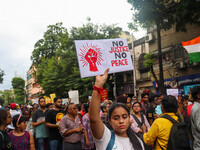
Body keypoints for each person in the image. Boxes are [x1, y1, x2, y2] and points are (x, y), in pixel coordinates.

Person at [89, 69, 144, 150]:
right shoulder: (105, 137)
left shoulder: (138, 141)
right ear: (110, 121)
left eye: (124, 117)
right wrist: (98, 85)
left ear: (130, 119)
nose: (121, 121)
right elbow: (94, 119)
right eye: (116, 118)